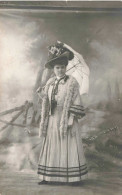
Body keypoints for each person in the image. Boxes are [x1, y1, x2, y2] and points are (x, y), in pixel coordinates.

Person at [37, 42, 88, 184]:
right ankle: (48, 177)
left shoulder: (72, 82)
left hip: (66, 117)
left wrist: (71, 118)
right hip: (52, 118)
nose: (60, 70)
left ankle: (73, 178)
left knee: (68, 143)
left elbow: (76, 101)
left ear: (66, 68)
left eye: (62, 67)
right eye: (57, 68)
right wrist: (43, 95)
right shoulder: (50, 82)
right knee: (52, 144)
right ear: (53, 69)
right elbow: (47, 101)